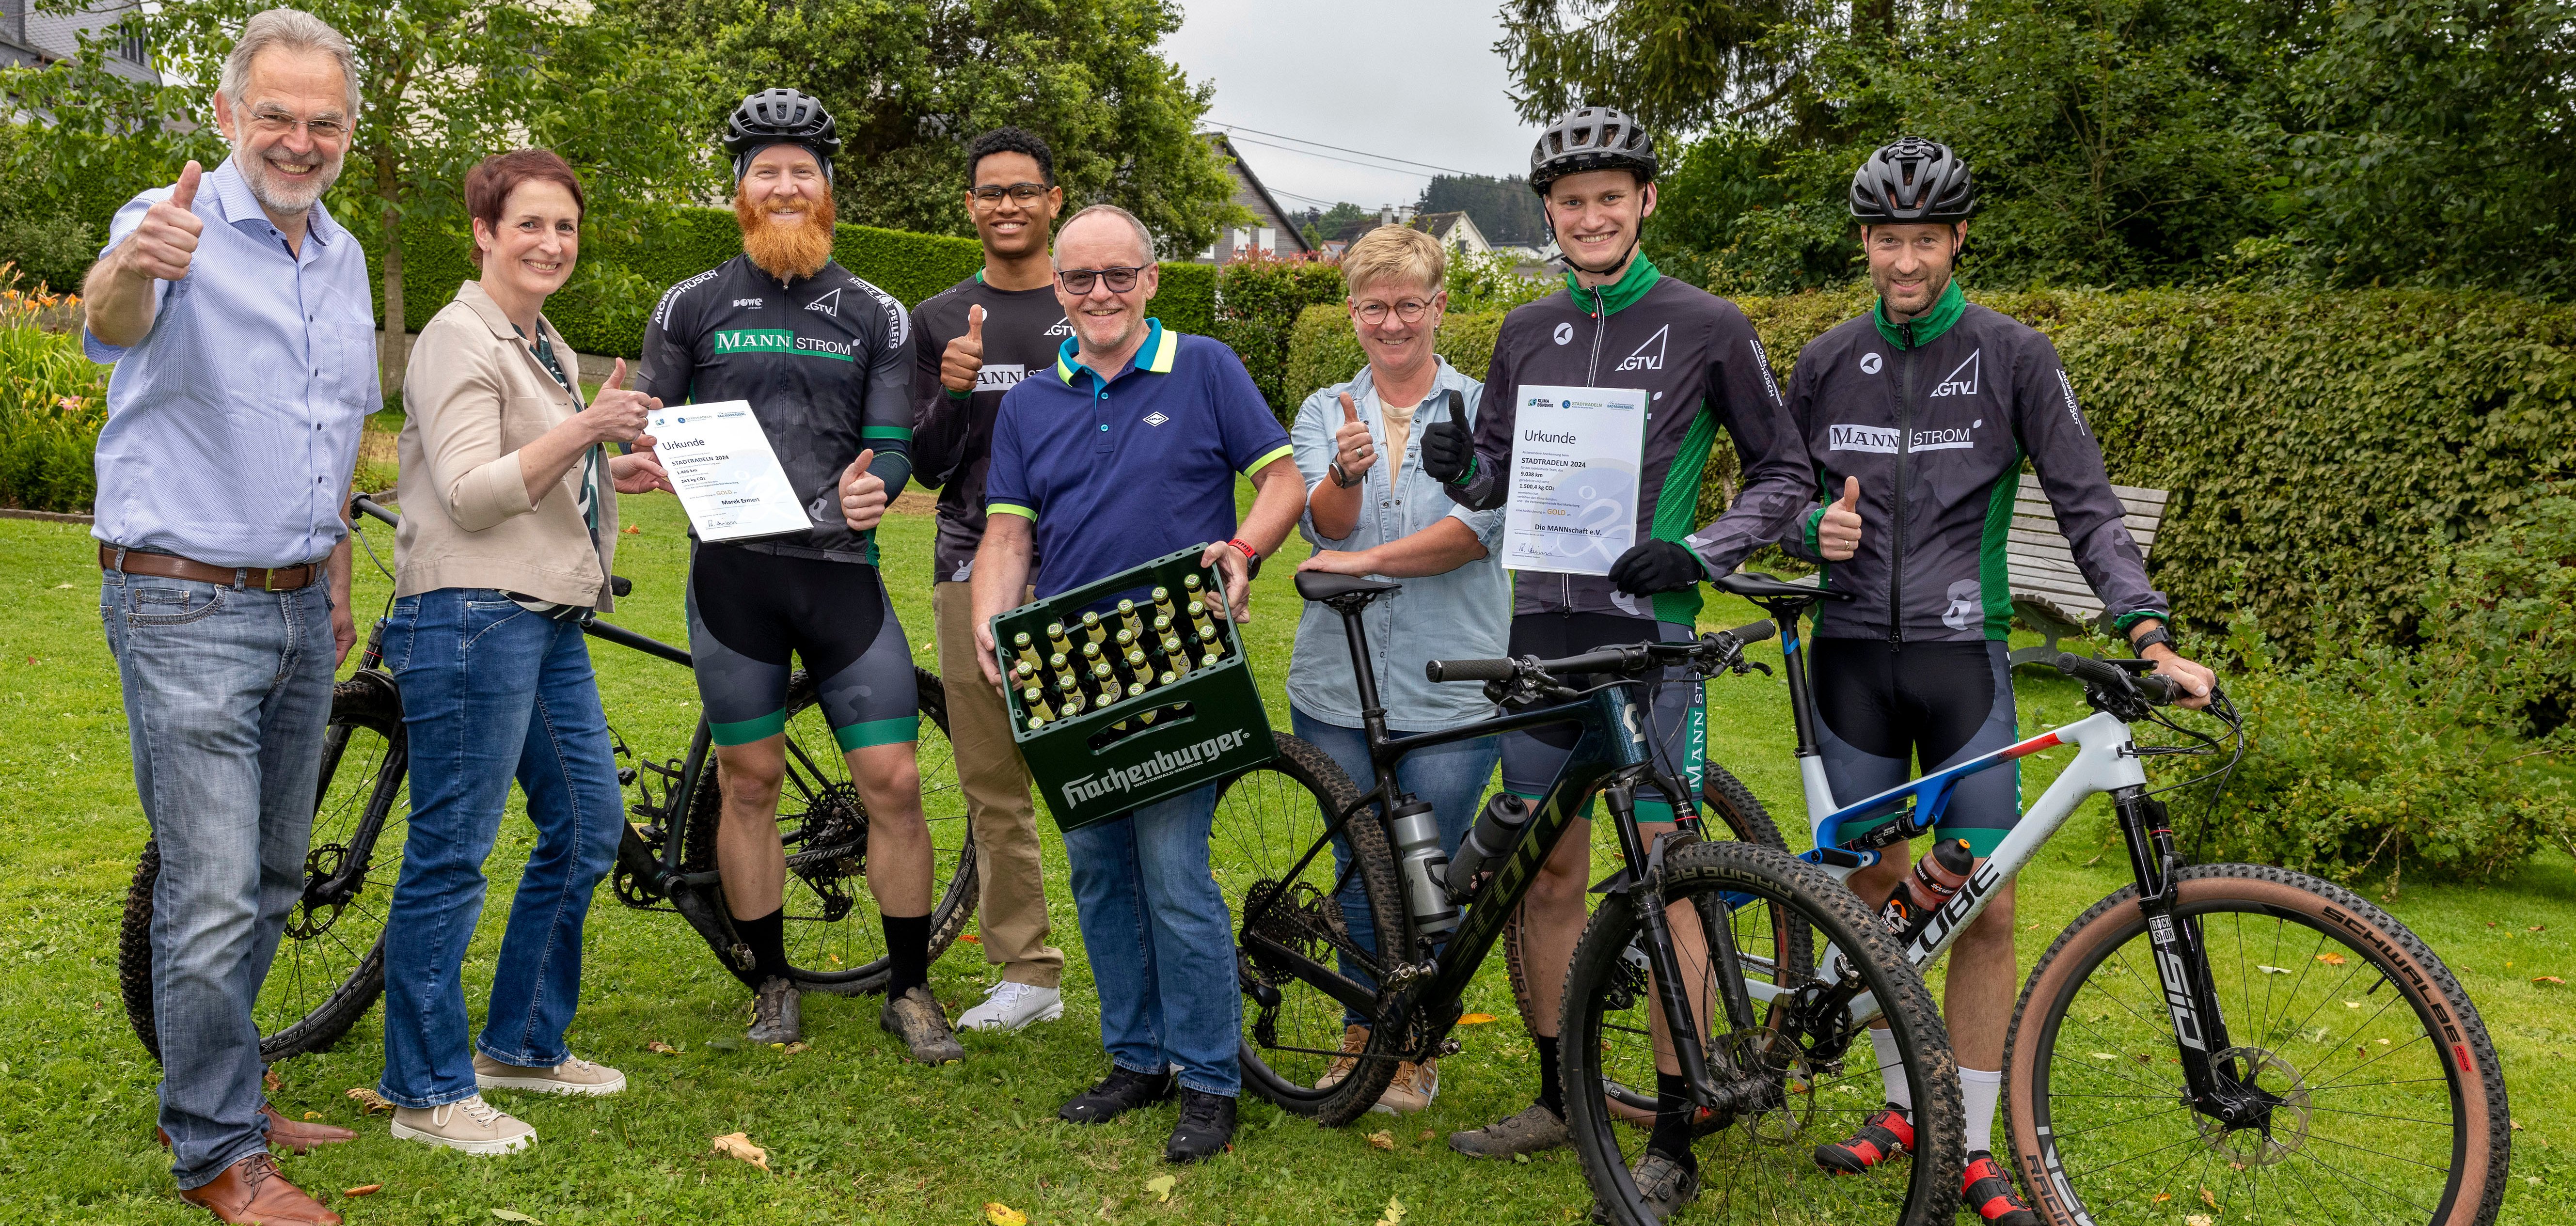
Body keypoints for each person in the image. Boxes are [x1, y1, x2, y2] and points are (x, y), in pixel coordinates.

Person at [1779, 137, 2215, 1226]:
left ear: (1959, 238)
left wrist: (2148, 631)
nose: (1905, 260)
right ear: (1865, 242)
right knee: (1867, 886)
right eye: (1888, 240)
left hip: (1962, 658)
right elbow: (1776, 494)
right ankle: (1901, 1108)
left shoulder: (2014, 355)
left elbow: (2088, 504)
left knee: (1987, 898)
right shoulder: (1825, 360)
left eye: (1925, 239)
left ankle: (1971, 1145)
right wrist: (1808, 526)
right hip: (1849, 658)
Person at [1418, 105, 1814, 1219]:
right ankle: (1560, 1091)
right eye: (1570, 200)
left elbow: (1786, 474)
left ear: (1644, 201)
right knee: (1546, 871)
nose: (1590, 216)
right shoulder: (1526, 327)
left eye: (1609, 197)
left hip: (1651, 642)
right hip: (1542, 636)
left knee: (1667, 871)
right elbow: (1497, 473)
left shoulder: (1710, 325)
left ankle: (1676, 1135)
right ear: (1547, 211)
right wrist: (1459, 468)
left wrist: (1703, 549)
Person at [81, 10, 376, 1223]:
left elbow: (334, 425)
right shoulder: (171, 221)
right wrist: (133, 266)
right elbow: (110, 318)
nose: (300, 141)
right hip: (183, 599)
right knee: (207, 887)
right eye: (276, 115)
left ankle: (222, 1090)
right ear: (226, 115)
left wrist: (337, 575)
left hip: (300, 604)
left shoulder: (344, 255)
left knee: (267, 874)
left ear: (348, 130)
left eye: (325, 122)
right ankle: (215, 1151)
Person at [632, 88, 962, 1064]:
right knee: (750, 780)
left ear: (827, 189)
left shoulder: (876, 312)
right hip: (733, 576)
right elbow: (651, 417)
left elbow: (893, 444)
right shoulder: (691, 303)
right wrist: (643, 448)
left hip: (839, 575)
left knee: (893, 780)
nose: (785, 187)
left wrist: (878, 486)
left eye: (802, 172)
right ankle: (772, 981)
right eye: (766, 171)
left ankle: (909, 988)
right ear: (741, 189)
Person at [970, 204, 1304, 1163]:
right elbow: (1008, 535)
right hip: (1070, 672)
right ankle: (1138, 1056)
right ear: (1059, 289)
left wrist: (1243, 550)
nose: (1101, 293)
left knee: (1172, 870)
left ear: (1152, 280)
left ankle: (1208, 1077)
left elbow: (1283, 481)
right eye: (1080, 279)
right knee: (1101, 871)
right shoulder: (1031, 403)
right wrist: (993, 618)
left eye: (1119, 274)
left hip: (1181, 658)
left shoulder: (1206, 367)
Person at [375, 149, 672, 1155]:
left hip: (541, 615)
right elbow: (470, 493)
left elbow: (531, 472)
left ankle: (523, 1044)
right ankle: (426, 1091)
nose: (551, 243)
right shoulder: (459, 337)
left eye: (565, 226)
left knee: (588, 826)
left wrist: (608, 468)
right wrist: (586, 428)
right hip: (471, 613)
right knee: (453, 852)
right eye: (530, 224)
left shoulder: (542, 340)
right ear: (484, 233)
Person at [1288, 224, 1505, 1115]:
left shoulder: (1485, 406)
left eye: (1408, 304)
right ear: (1352, 312)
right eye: (1373, 306)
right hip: (1336, 681)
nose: (1391, 322)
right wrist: (1343, 476)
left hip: (1452, 675)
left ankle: (1415, 1039)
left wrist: (1361, 564)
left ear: (1439, 305)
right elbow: (1323, 527)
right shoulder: (1325, 407)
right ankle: (1362, 1031)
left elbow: (1473, 535)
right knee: (1359, 863)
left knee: (1433, 864)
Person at [909, 126, 1070, 1033]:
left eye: (1024, 190)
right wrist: (954, 388)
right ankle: (1028, 971)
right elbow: (926, 464)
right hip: (970, 563)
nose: (1008, 205)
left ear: (1053, 200)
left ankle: (1147, 963)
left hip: (1083, 564)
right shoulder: (939, 317)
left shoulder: (1090, 297)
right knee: (993, 779)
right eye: (991, 192)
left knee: (1109, 770)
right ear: (970, 206)